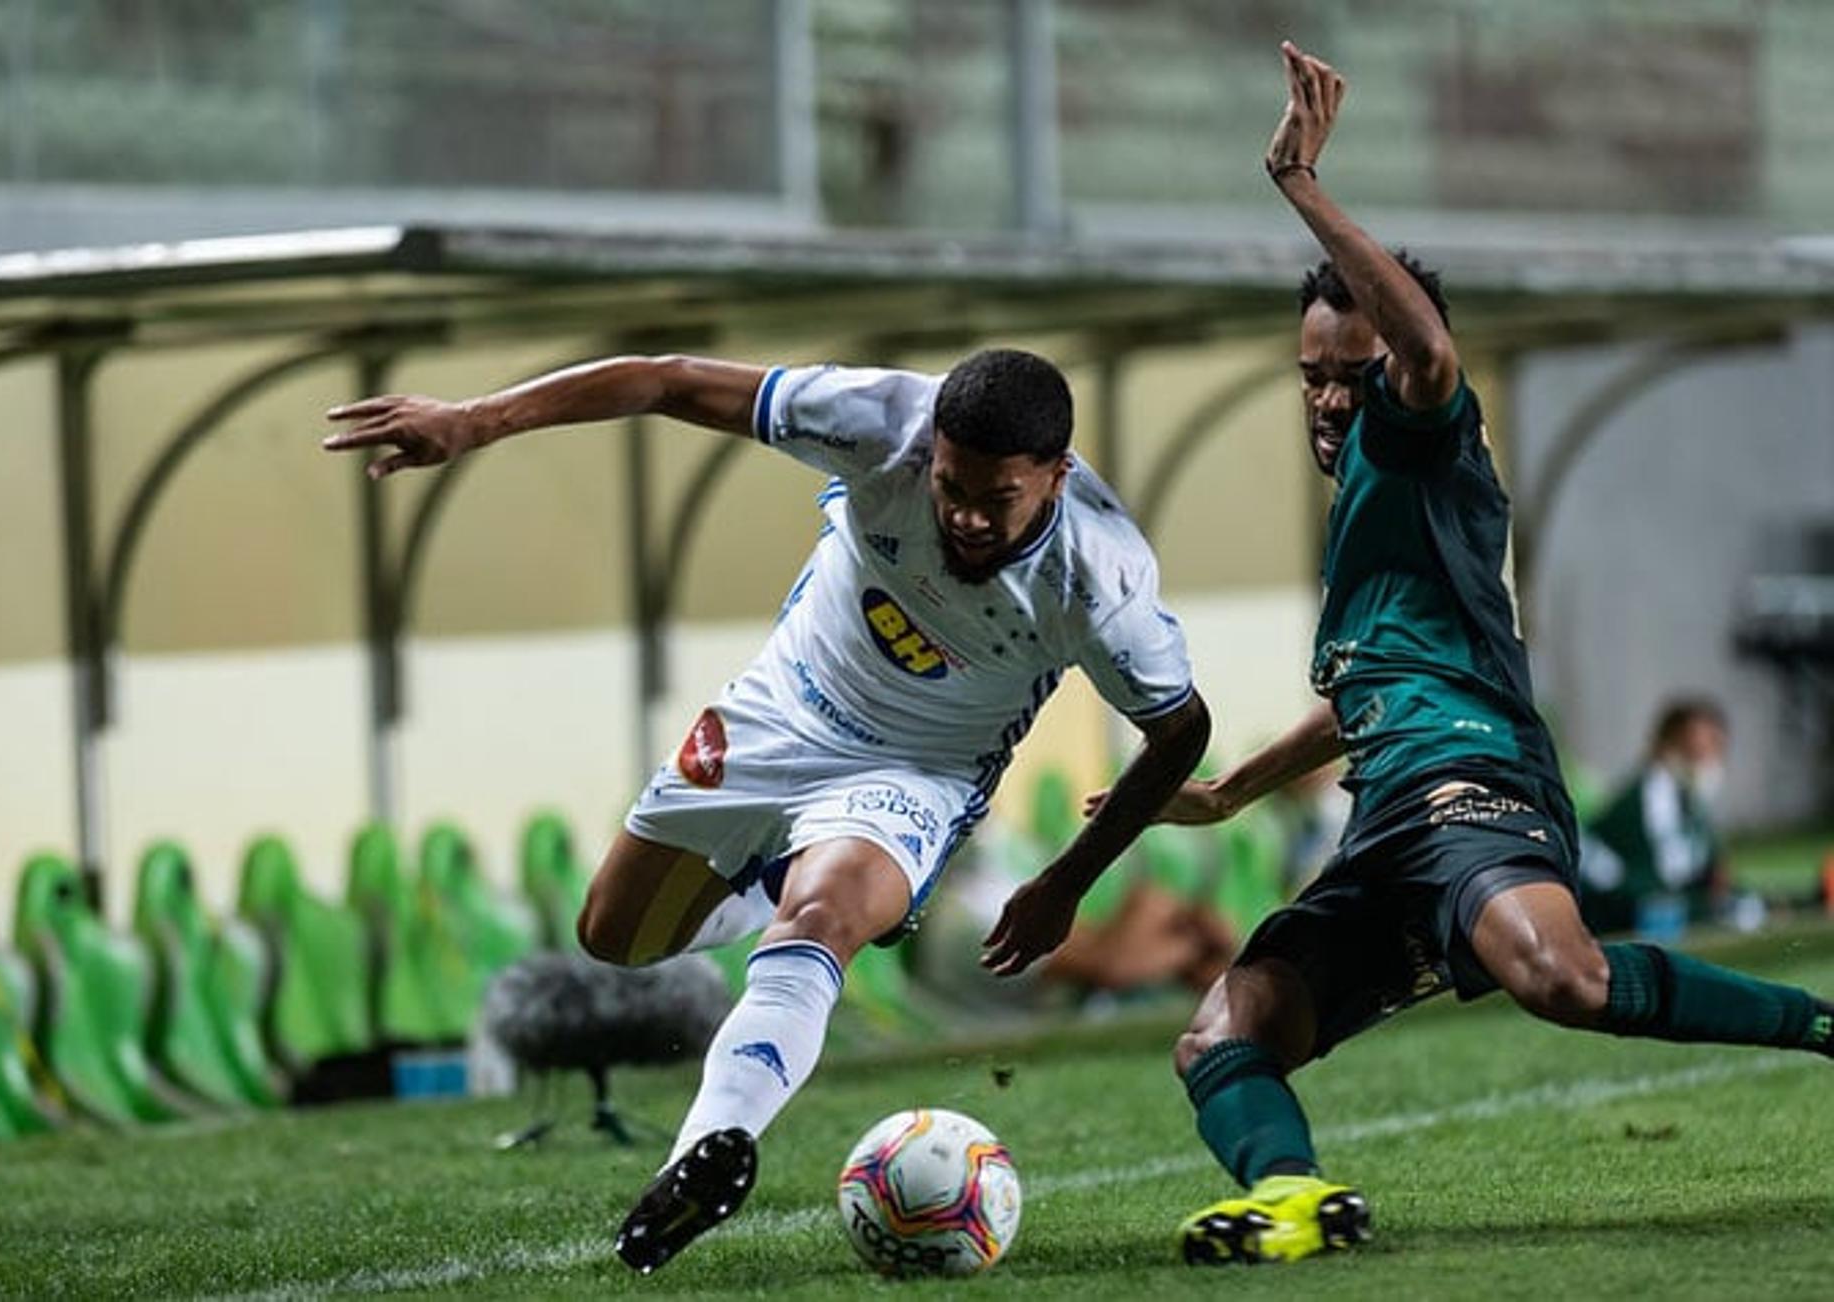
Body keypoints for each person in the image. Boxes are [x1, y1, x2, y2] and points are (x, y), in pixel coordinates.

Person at [1051, 41, 1834, 1266]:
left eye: (1346, 375)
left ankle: (1823, 1023)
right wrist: (1232, 791)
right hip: (1389, 827)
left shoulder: (1419, 445)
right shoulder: (1374, 527)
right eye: (1309, 377)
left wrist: (1302, 184)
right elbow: (1357, 697)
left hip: (1475, 784)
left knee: (1559, 982)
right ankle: (1291, 1199)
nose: (1325, 397)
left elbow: (1426, 360)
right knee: (1220, 1034)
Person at [323, 348, 1212, 1272]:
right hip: (779, 712)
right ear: (932, 448)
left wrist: (1067, 880)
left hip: (917, 769)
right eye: (952, 486)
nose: (966, 515)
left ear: (1057, 476)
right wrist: (475, 421)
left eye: (1000, 499)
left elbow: (1179, 732)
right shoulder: (880, 421)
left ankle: (703, 1155)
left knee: (822, 919)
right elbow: (667, 379)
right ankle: (776, 878)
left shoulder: (1101, 581)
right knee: (616, 934)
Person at [1580, 698, 1733, 936]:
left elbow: (1710, 874)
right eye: (1695, 751)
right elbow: (1664, 883)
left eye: (1714, 749)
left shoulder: (1687, 798)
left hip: (1639, 899)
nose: (1707, 762)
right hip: (1601, 906)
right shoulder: (1652, 795)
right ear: (1666, 746)